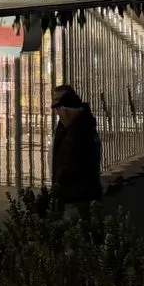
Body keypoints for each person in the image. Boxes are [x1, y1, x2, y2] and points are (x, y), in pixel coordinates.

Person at [50, 85, 102, 217]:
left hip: (76, 195)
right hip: (71, 193)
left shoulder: (81, 131)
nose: (57, 112)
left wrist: (59, 184)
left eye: (59, 107)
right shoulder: (67, 126)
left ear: (67, 110)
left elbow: (73, 163)